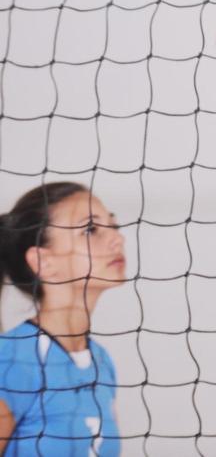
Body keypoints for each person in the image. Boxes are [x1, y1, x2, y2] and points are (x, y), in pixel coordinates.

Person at [0, 183, 128, 456]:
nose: (118, 239)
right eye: (91, 230)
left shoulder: (101, 361)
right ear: (43, 262)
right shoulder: (10, 359)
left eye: (113, 226)